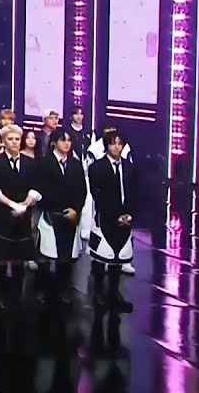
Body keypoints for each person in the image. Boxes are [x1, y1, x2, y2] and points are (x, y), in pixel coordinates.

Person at [0, 124, 42, 309]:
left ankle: (16, 295)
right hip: (3, 214)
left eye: (17, 139)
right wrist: (13, 205)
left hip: (23, 216)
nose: (15, 142)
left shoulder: (31, 163)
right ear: (4, 141)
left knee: (19, 259)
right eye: (10, 139)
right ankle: (1, 294)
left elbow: (35, 189)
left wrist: (23, 206)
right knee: (1, 258)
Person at [35, 129, 87, 303]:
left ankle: (62, 290)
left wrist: (75, 210)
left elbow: (82, 190)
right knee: (45, 255)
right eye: (63, 140)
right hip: (51, 213)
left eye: (69, 140)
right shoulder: (44, 163)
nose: (67, 144)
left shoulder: (75, 164)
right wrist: (55, 206)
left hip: (71, 215)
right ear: (54, 142)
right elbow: (41, 189)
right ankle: (42, 290)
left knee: (66, 257)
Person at [88, 131, 135, 312]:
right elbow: (97, 195)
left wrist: (129, 214)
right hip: (105, 218)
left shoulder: (130, 167)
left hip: (125, 219)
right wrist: (115, 215)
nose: (116, 147)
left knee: (119, 256)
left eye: (119, 143)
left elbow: (135, 192)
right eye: (113, 143)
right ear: (106, 145)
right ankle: (98, 292)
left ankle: (114, 293)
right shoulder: (97, 167)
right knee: (101, 257)